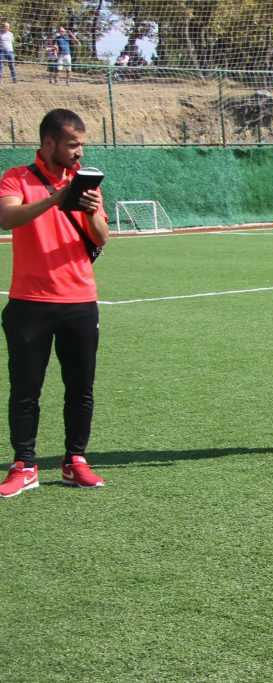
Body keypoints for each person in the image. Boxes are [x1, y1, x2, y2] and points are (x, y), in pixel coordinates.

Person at [0, 109, 110, 498]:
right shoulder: (17, 177)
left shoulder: (83, 184)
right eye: (72, 145)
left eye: (82, 145)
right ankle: (24, 464)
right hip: (29, 302)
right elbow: (7, 217)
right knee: (25, 389)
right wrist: (55, 199)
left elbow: (102, 239)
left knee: (80, 388)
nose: (79, 153)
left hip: (80, 300)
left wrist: (93, 209)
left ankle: (75, 461)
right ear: (49, 144)